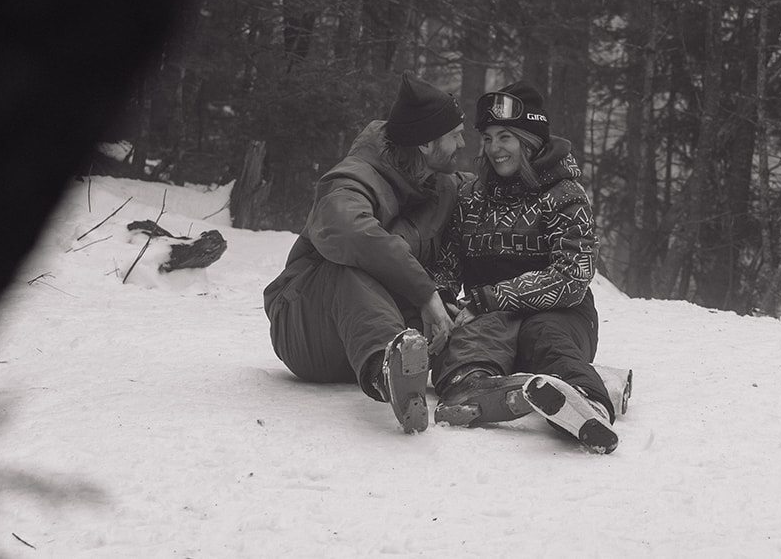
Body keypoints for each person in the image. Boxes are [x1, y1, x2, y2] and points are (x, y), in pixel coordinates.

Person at [263, 73, 468, 433]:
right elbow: (346, 228)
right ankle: (387, 372)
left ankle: (479, 375)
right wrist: (425, 292)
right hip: (306, 325)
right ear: (424, 144)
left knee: (460, 315)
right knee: (348, 267)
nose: (463, 143)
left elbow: (501, 192)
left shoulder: (443, 185)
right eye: (454, 135)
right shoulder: (352, 178)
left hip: (371, 328)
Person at [430, 81, 619, 454]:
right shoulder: (472, 198)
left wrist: (491, 297)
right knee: (473, 337)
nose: (494, 149)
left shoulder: (565, 196)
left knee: (544, 338)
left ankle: (585, 403)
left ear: (529, 139)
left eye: (505, 137)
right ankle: (474, 387)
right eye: (487, 138)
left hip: (560, 312)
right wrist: (443, 298)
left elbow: (572, 276)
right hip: (488, 315)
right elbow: (448, 263)